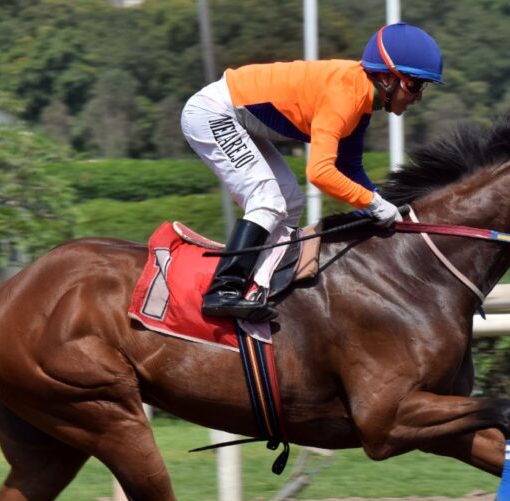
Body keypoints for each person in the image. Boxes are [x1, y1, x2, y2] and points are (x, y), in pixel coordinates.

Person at [180, 22, 444, 319]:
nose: (418, 96)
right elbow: (319, 172)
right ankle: (223, 290)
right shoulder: (345, 97)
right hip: (213, 113)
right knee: (268, 200)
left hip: (238, 118)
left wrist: (381, 205)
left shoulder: (361, 101)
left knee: (291, 201)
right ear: (385, 77)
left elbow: (349, 168)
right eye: (414, 85)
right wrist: (372, 203)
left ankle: (258, 285)